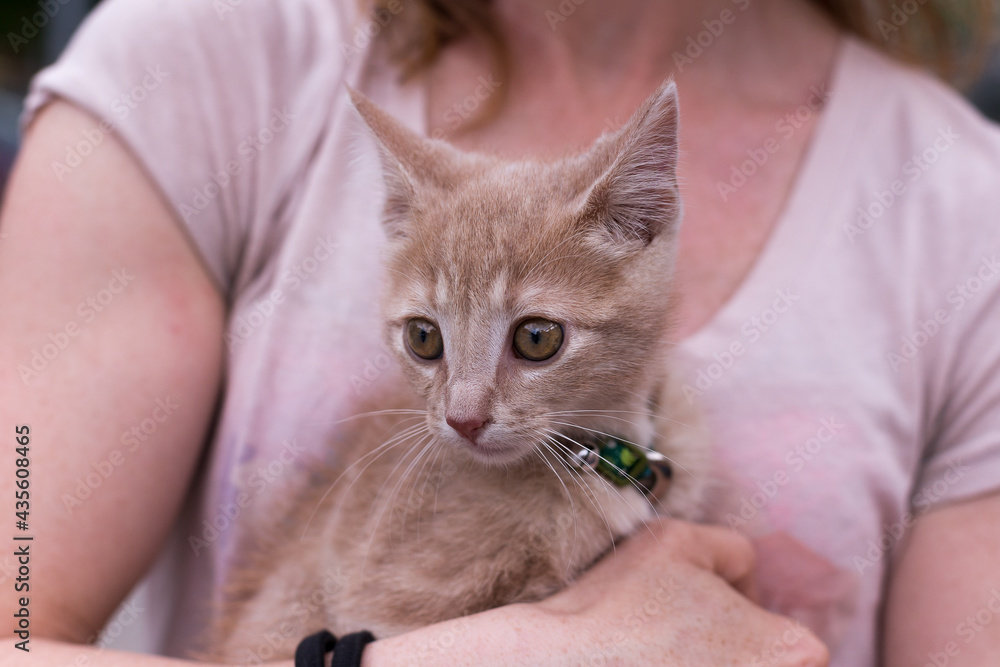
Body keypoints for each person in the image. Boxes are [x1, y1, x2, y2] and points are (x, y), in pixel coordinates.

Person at [2, 0, 999, 664]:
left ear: (646, 220)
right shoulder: (211, 52)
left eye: (530, 342)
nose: (463, 410)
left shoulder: (963, 211)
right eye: (426, 347)